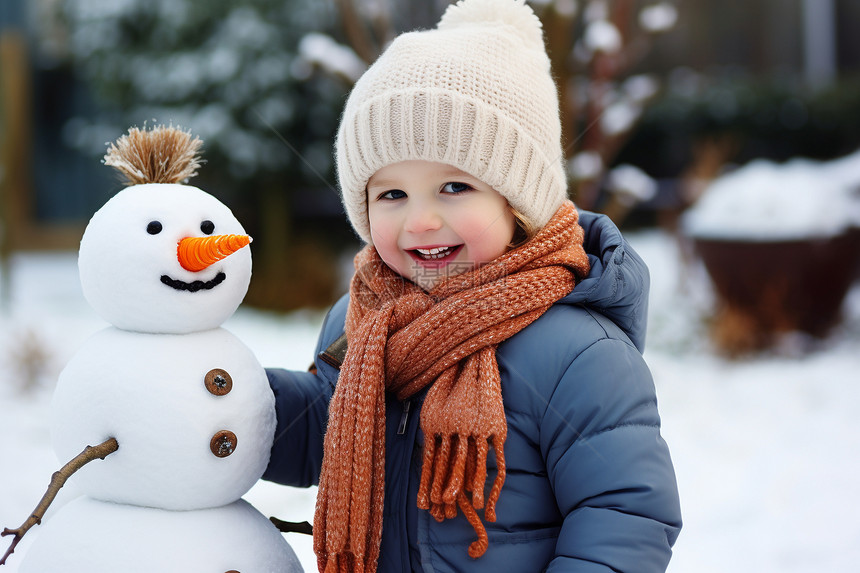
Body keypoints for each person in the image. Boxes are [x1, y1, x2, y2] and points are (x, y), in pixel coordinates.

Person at [262, 0, 682, 571]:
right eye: (392, 194)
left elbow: (623, 515)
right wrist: (228, 400)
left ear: (517, 202)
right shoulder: (361, 317)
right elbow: (321, 429)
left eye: (454, 187)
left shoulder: (579, 353)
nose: (421, 221)